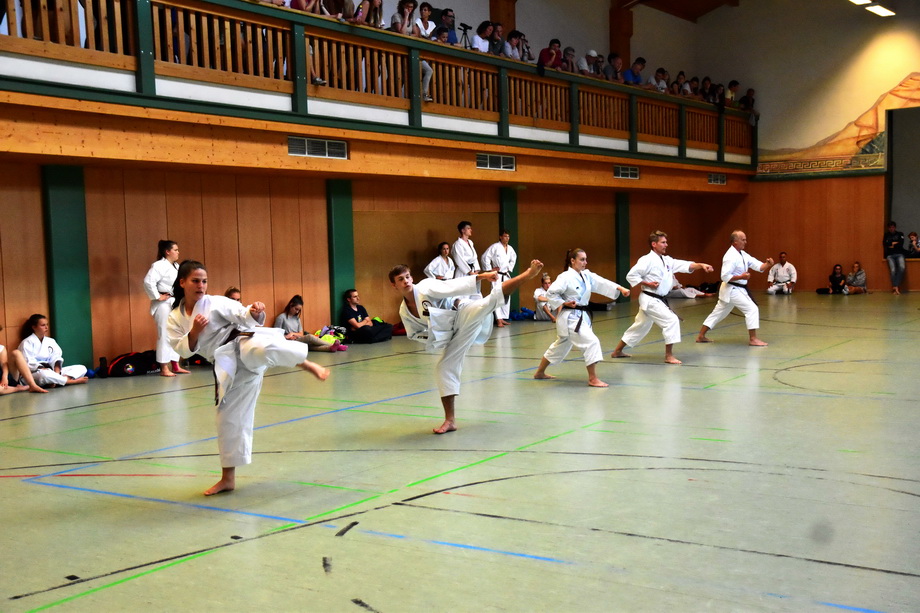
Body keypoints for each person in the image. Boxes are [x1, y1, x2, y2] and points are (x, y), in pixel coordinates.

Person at [167, 260, 329, 496]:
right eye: (195, 281)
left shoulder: (215, 302)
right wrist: (194, 332)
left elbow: (241, 312)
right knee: (227, 420)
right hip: (225, 364)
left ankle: (305, 363)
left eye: (204, 281)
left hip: (242, 341)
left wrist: (256, 311)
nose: (201, 286)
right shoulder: (174, 318)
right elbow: (182, 350)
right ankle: (227, 479)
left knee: (261, 350)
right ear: (182, 282)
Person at [389, 259, 544, 434]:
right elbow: (414, 333)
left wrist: (482, 276)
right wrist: (437, 336)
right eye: (401, 279)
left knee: (489, 302)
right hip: (451, 335)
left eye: (408, 277)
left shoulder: (425, 287)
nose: (406, 281)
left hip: (462, 312)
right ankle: (450, 420)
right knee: (444, 368)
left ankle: (527, 274)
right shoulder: (404, 310)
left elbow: (453, 285)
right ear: (394, 286)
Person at [611, 231, 713, 365]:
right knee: (671, 321)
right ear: (654, 244)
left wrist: (701, 265)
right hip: (650, 298)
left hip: (657, 299)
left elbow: (685, 265)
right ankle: (669, 356)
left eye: (666, 242)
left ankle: (617, 351)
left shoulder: (667, 260)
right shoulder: (646, 260)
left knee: (640, 326)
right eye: (663, 242)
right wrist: (647, 283)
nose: (666, 245)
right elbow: (631, 275)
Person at [533, 249, 629, 387]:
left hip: (580, 316)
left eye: (586, 259)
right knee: (592, 342)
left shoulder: (586, 275)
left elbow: (601, 282)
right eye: (582, 259)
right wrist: (564, 303)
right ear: (573, 261)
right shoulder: (565, 277)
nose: (585, 262)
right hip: (571, 318)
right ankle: (593, 378)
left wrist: (620, 288)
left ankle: (539, 373)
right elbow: (551, 293)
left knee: (560, 346)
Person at [697, 230, 773, 346]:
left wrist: (767, 264)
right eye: (743, 240)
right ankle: (753, 339)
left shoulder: (742, 254)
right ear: (735, 242)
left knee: (718, 313)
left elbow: (758, 266)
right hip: (732, 289)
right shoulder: (730, 256)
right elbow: (724, 276)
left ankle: (701, 336)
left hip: (733, 290)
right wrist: (741, 276)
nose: (745, 242)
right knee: (751, 309)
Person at [143, 240, 190, 377]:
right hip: (163, 304)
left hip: (175, 302)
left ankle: (175, 364)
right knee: (164, 333)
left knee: (177, 332)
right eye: (175, 250)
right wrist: (157, 296)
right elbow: (148, 281)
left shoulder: (176, 266)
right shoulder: (159, 265)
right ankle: (164, 368)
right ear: (167, 251)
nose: (178, 252)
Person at [18, 314, 89, 387]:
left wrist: (56, 373)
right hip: (34, 374)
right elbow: (27, 363)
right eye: (43, 325)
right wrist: (43, 369)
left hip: (52, 371)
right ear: (34, 327)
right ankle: (69, 381)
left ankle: (55, 381)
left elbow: (56, 358)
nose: (46, 327)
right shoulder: (26, 342)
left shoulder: (50, 341)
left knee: (81, 368)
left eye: (47, 324)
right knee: (44, 375)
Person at [275, 295, 347, 352]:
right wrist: (287, 337)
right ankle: (337, 346)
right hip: (288, 342)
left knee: (310, 346)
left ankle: (331, 348)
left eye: (299, 310)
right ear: (291, 305)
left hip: (297, 339)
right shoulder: (281, 317)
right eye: (296, 309)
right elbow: (275, 335)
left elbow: (301, 334)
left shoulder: (297, 319)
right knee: (310, 337)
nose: (297, 312)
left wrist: (293, 334)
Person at [480, 229, 517, 327]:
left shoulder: (510, 249)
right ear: (500, 237)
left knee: (506, 296)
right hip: (497, 275)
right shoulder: (495, 247)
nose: (507, 238)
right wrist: (490, 270)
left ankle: (503, 317)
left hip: (506, 275)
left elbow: (513, 259)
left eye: (508, 236)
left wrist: (509, 268)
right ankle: (498, 319)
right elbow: (485, 257)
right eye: (505, 236)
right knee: (497, 295)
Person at [451, 220, 481, 298]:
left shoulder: (470, 242)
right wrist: (469, 272)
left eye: (470, 228)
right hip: (463, 272)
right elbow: (459, 260)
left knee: (475, 294)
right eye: (468, 228)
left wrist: (476, 269)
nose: (471, 230)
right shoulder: (457, 244)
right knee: (463, 295)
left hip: (473, 271)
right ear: (463, 230)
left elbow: (474, 257)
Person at [883, 221, 906, 295]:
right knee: (893, 270)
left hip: (899, 254)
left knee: (902, 268)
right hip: (890, 255)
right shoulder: (886, 235)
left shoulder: (900, 234)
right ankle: (895, 287)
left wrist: (891, 244)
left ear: (895, 227)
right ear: (888, 228)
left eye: (893, 227)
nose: (891, 229)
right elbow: (884, 244)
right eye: (890, 227)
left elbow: (901, 244)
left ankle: (896, 285)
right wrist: (894, 243)